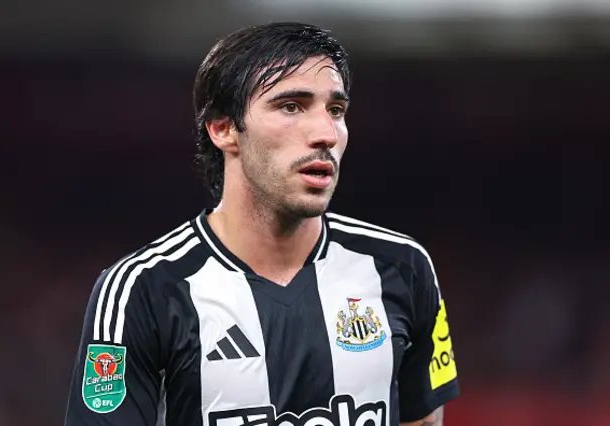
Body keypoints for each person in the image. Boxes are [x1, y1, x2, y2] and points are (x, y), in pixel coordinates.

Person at [64, 22, 459, 426]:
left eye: (335, 110)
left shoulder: (402, 267)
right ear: (223, 129)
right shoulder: (142, 289)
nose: (325, 132)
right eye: (291, 106)